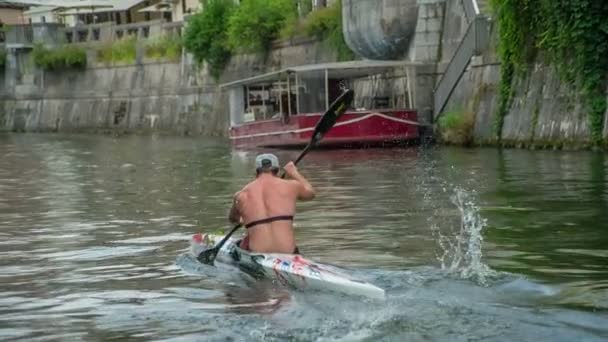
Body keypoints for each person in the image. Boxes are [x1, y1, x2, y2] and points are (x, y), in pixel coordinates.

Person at [228, 153, 315, 254]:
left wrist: (245, 220)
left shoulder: (240, 195)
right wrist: (294, 172)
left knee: (245, 240)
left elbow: (234, 220)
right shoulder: (292, 186)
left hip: (258, 254)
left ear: (256, 171)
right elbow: (311, 193)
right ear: (277, 170)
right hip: (288, 252)